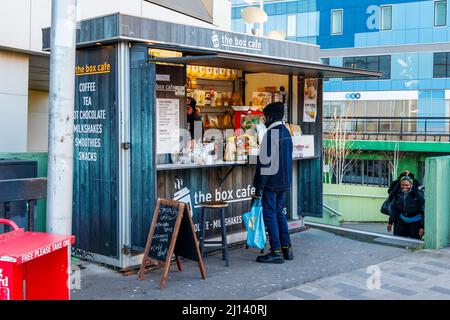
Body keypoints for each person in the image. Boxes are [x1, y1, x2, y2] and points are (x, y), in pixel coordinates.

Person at [252, 101, 293, 264]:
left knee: (270, 215)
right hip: (284, 181)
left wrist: (258, 187)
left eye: (265, 117)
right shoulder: (286, 132)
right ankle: (286, 248)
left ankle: (275, 251)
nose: (264, 120)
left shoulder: (270, 134)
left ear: (270, 117)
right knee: (280, 214)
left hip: (271, 182)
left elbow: (264, 164)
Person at [387, 175, 425, 239]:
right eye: (402, 185)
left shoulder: (417, 194)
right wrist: (390, 222)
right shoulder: (397, 194)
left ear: (411, 185)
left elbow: (423, 211)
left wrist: (422, 227)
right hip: (403, 220)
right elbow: (394, 209)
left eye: (407, 185)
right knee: (398, 239)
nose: (404, 187)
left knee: (414, 242)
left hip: (415, 221)